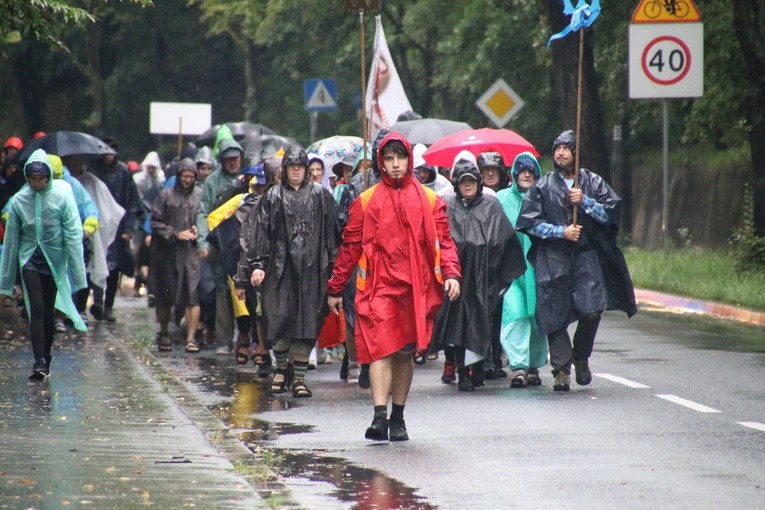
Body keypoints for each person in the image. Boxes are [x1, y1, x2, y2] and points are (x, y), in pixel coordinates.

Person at [327, 132, 461, 441]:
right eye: (389, 159)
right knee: (379, 351)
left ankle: (398, 417)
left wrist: (452, 273)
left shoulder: (429, 200)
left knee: (403, 354)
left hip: (416, 289)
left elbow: (445, 241)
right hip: (378, 287)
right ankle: (379, 416)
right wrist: (335, 288)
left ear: (409, 160)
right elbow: (349, 247)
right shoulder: (366, 199)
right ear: (381, 163)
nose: (395, 164)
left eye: (400, 158)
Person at [516, 130, 637, 391]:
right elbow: (528, 223)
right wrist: (561, 232)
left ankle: (581, 356)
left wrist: (586, 202)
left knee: (592, 309)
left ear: (576, 153)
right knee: (554, 313)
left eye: (566, 148)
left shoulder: (592, 182)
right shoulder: (542, 186)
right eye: (557, 148)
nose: (560, 152)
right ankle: (561, 369)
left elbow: (611, 217)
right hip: (553, 257)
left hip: (585, 256)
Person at [431, 151, 525, 391]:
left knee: (483, 321)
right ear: (457, 184)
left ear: (478, 182)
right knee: (459, 323)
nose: (468, 186)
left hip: (485, 276)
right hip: (457, 278)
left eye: (471, 181)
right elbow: (439, 239)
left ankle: (481, 366)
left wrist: (496, 269)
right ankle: (462, 371)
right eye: (463, 182)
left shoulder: (491, 205)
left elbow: (505, 239)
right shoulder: (447, 207)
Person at [250, 145, 338, 398]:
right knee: (279, 319)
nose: (296, 170)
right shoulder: (273, 196)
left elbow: (333, 235)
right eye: (292, 166)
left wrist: (334, 271)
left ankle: (299, 377)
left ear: (307, 169)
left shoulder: (322, 196)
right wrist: (258, 265)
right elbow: (261, 234)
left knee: (307, 323)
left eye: (300, 165)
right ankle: (280, 368)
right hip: (279, 270)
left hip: (313, 272)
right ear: (285, 169)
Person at [0, 149, 87, 379]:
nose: (38, 183)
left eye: (42, 178)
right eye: (33, 178)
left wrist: (78, 274)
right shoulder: (19, 200)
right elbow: (10, 240)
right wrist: (5, 281)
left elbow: (72, 232)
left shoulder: (62, 194)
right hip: (29, 258)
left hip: (54, 259)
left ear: (48, 177)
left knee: (48, 311)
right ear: (27, 178)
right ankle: (38, 360)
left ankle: (45, 356)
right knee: (35, 308)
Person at [496, 152, 549, 388]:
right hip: (511, 272)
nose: (526, 174)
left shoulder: (545, 199)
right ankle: (518, 367)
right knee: (515, 314)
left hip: (538, 269)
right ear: (514, 174)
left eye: (531, 171)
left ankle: (534, 366)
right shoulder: (500, 199)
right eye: (521, 170)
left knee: (537, 319)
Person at [148, 158, 203, 353]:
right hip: (167, 252)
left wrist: (199, 230)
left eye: (191, 176)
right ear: (178, 176)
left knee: (192, 295)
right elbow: (155, 221)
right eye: (184, 176)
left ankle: (191, 338)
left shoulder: (200, 195)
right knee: (165, 296)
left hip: (191, 252)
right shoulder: (165, 195)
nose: (187, 180)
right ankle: (164, 333)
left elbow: (207, 218)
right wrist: (175, 234)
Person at [196, 138, 245, 354]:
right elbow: (203, 211)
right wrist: (203, 242)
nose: (233, 163)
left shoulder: (249, 177)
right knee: (222, 291)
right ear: (222, 161)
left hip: (244, 244)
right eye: (228, 159)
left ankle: (247, 340)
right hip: (219, 243)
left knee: (245, 293)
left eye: (236, 159)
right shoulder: (212, 182)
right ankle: (225, 340)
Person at [89, 136, 143, 322]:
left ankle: (108, 306)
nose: (108, 155)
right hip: (96, 225)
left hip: (118, 228)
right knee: (95, 263)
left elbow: (133, 201)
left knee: (114, 269)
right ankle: (97, 302)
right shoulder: (92, 170)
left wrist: (129, 228)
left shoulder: (124, 172)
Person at [476, 151, 511, 379]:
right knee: (484, 310)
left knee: (501, 312)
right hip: (482, 262)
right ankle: (485, 359)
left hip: (506, 260)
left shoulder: (508, 196)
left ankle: (496, 357)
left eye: (494, 169)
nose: (490, 173)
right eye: (485, 169)